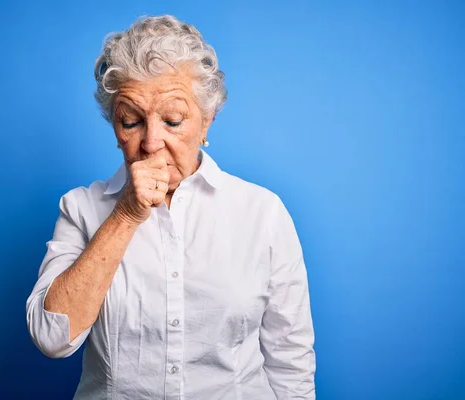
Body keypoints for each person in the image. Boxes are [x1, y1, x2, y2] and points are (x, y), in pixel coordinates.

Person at [26, 14, 315, 399]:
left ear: (207, 121)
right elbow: (52, 337)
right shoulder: (81, 208)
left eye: (174, 121)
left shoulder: (262, 213)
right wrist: (126, 214)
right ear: (114, 126)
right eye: (130, 122)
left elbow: (290, 361)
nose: (150, 143)